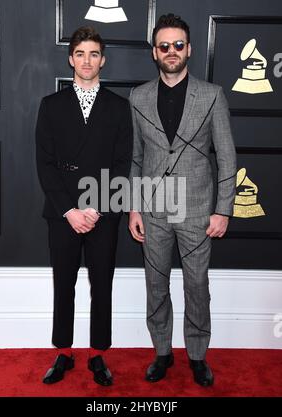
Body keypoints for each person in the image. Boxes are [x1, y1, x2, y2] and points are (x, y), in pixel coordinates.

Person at [129, 14, 237, 387]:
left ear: (189, 49)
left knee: (197, 286)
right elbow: (137, 158)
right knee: (156, 286)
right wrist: (134, 207)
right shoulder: (139, 96)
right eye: (164, 46)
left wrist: (223, 209)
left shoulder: (212, 95)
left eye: (178, 45)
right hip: (155, 211)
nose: (171, 51)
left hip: (197, 210)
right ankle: (162, 352)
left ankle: (196, 354)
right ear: (154, 52)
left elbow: (226, 155)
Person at [36, 26, 133, 386]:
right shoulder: (51, 105)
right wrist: (71, 211)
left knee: (101, 283)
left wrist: (96, 208)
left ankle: (98, 354)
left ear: (102, 60)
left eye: (94, 54)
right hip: (62, 214)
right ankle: (63, 351)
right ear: (70, 59)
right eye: (80, 53)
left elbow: (123, 163)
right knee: (64, 283)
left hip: (103, 212)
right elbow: (44, 164)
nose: (87, 60)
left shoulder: (119, 108)